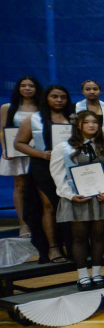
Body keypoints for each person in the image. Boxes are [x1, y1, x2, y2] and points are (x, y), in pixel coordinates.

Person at [50, 111, 104, 290]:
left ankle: (96, 273)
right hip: (77, 198)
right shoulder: (63, 148)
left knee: (98, 236)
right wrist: (69, 195)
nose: (91, 125)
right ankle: (82, 276)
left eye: (94, 122)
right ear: (78, 125)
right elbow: (58, 175)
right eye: (86, 122)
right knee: (79, 237)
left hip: (101, 197)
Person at [15, 85, 74, 263]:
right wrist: (41, 154)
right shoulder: (34, 119)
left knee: (71, 205)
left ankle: (73, 245)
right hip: (44, 166)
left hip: (71, 166)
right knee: (49, 206)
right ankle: (53, 247)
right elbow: (19, 143)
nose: (59, 100)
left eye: (63, 97)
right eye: (54, 96)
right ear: (46, 98)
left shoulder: (74, 117)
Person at [1, 76, 41, 238]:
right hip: (17, 153)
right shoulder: (8, 107)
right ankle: (23, 224)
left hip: (37, 152)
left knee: (40, 186)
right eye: (23, 85)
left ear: (36, 88)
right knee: (20, 186)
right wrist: (5, 149)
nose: (27, 88)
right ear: (18, 88)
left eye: (31, 86)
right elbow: (2, 130)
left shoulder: (42, 107)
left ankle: (40, 222)